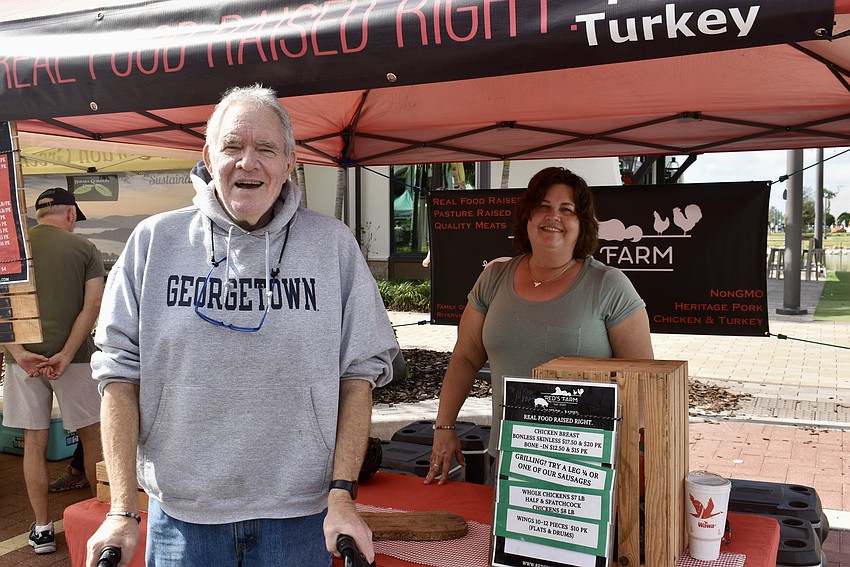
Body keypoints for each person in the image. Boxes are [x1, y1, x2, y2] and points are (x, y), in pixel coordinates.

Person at [85, 84, 397, 567]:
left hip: (299, 517)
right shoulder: (154, 242)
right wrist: (123, 508)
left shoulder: (333, 247)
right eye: (232, 146)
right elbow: (118, 375)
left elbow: (359, 375)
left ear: (290, 161)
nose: (247, 162)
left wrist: (341, 494)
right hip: (183, 518)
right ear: (209, 157)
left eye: (266, 148)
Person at [424, 167, 653, 485]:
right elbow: (465, 357)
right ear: (528, 217)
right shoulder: (494, 277)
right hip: (506, 460)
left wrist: (628, 457)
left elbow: (643, 383)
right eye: (543, 206)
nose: (553, 216)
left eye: (567, 209)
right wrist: (444, 426)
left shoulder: (609, 285)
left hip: (583, 469)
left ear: (580, 223)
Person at [2, 187, 105, 554]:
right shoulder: (85, 249)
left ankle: (43, 528)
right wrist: (65, 353)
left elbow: (2, 307)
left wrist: (20, 352)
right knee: (93, 438)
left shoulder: (13, 248)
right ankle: (104, 519)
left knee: (34, 442)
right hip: (74, 360)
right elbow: (92, 305)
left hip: (22, 362)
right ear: (71, 215)